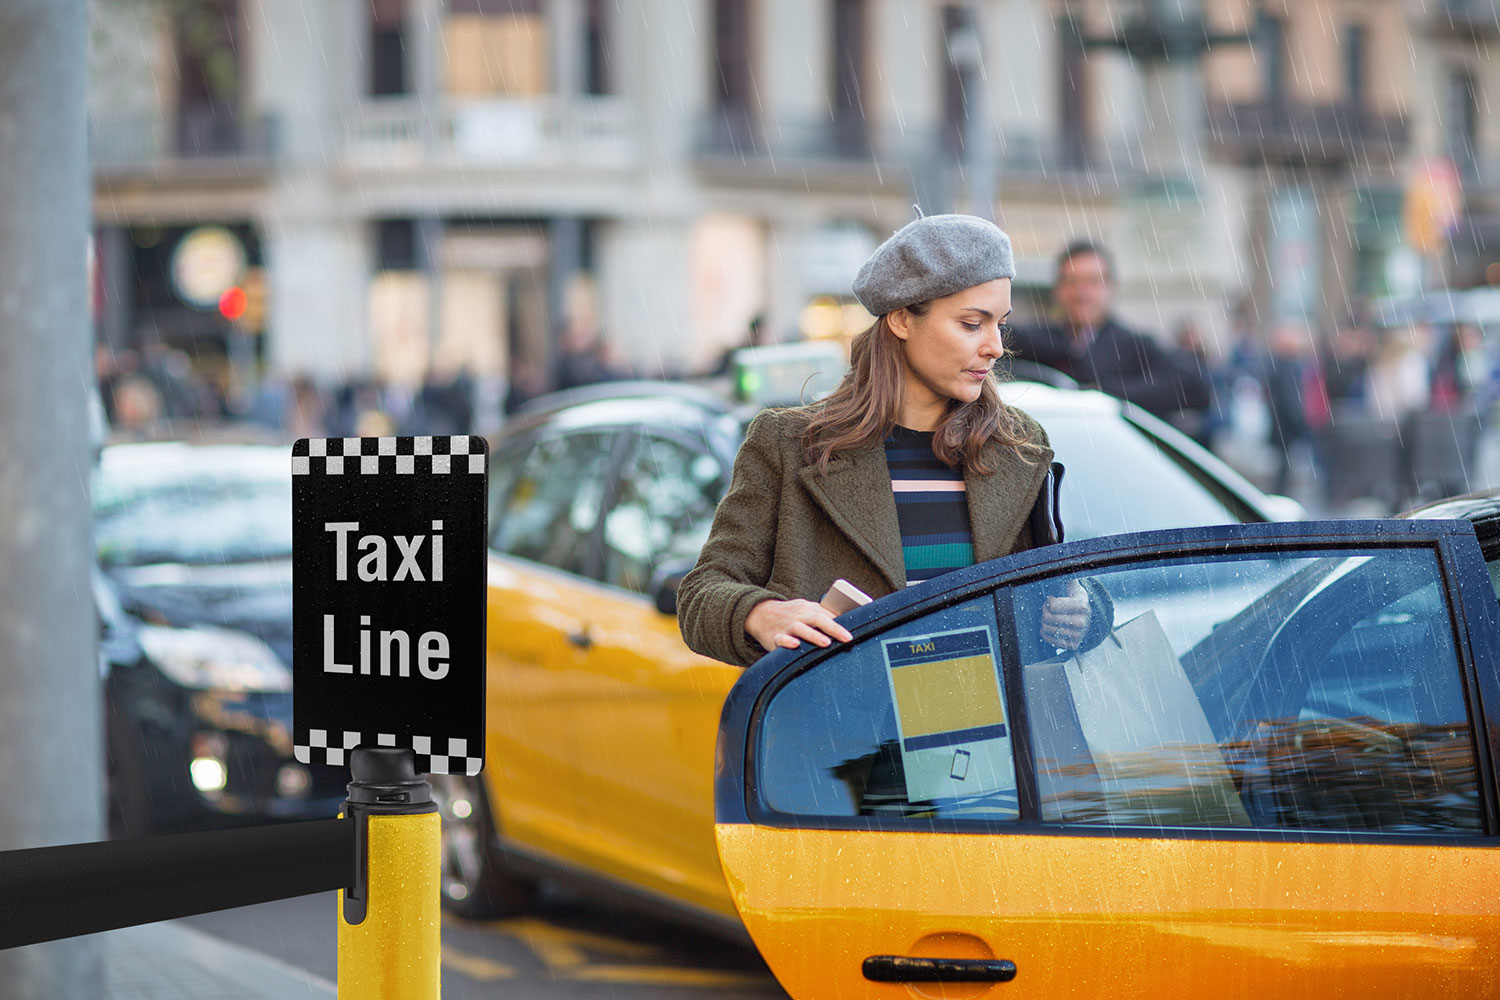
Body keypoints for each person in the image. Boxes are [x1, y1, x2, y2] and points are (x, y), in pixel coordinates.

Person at [677, 214, 1110, 668]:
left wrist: (1084, 612)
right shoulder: (788, 444)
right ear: (902, 319)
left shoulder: (1018, 445)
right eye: (971, 324)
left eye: (999, 324)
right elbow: (702, 593)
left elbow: (1064, 577)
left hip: (999, 711)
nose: (995, 347)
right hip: (851, 712)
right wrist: (762, 614)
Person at [1006, 241, 1210, 421]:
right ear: (1057, 289)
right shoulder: (1039, 341)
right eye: (1072, 282)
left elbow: (1193, 386)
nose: (1081, 292)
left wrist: (1101, 391)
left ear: (1111, 287)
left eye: (1092, 281)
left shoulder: (1133, 346)